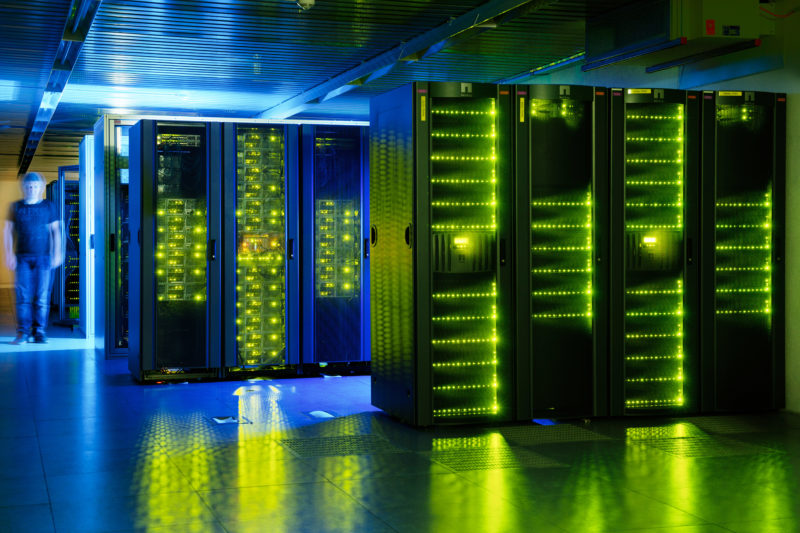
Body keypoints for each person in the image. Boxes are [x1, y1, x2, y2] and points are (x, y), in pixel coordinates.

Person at [3, 172, 62, 344]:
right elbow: (6, 231)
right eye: (29, 186)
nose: (32, 189)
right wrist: (8, 253)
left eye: (35, 186)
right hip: (22, 259)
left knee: (42, 297)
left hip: (44, 259)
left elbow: (56, 231)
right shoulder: (15, 207)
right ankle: (22, 333)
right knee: (22, 297)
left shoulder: (49, 206)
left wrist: (58, 253)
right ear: (24, 187)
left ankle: (39, 332)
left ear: (41, 188)